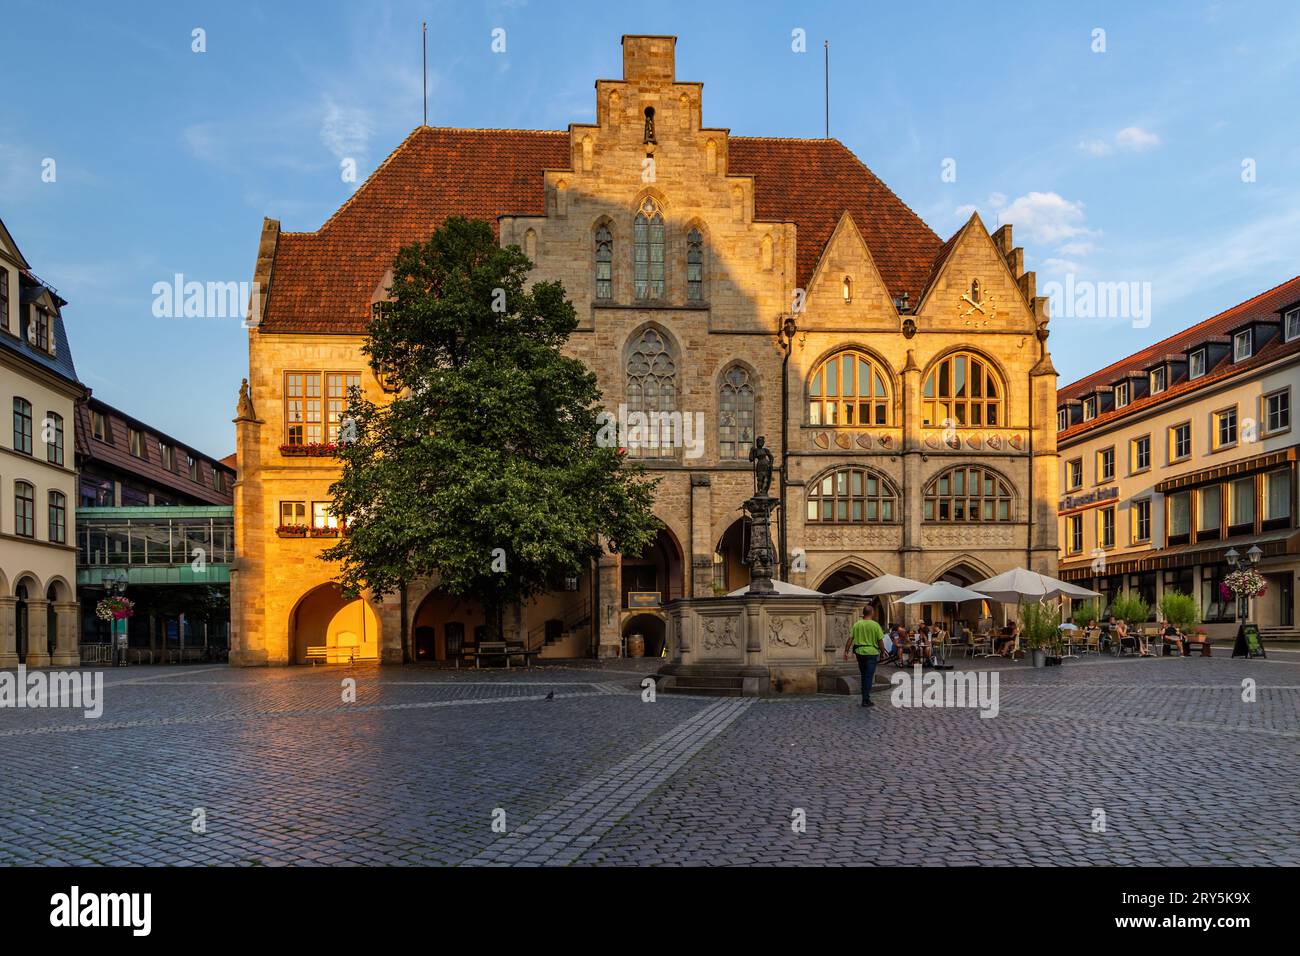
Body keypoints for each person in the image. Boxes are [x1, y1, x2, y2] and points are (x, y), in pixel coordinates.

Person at [843, 605, 884, 707]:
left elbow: (850, 639)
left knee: (863, 675)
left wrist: (846, 651)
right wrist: (882, 653)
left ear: (863, 613)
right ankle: (866, 699)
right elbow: (880, 641)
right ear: (872, 613)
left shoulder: (857, 624)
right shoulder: (875, 625)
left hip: (860, 652)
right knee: (869, 676)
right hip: (872, 652)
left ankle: (865, 697)